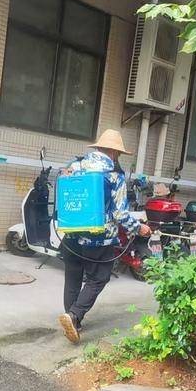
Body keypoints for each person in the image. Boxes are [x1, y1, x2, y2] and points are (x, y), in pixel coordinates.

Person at [58, 129, 152, 343]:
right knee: (98, 278)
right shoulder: (114, 176)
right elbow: (120, 214)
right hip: (98, 240)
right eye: (118, 154)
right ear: (114, 152)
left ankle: (73, 322)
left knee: (72, 277)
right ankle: (74, 315)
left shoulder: (74, 166)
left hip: (71, 234)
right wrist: (139, 228)